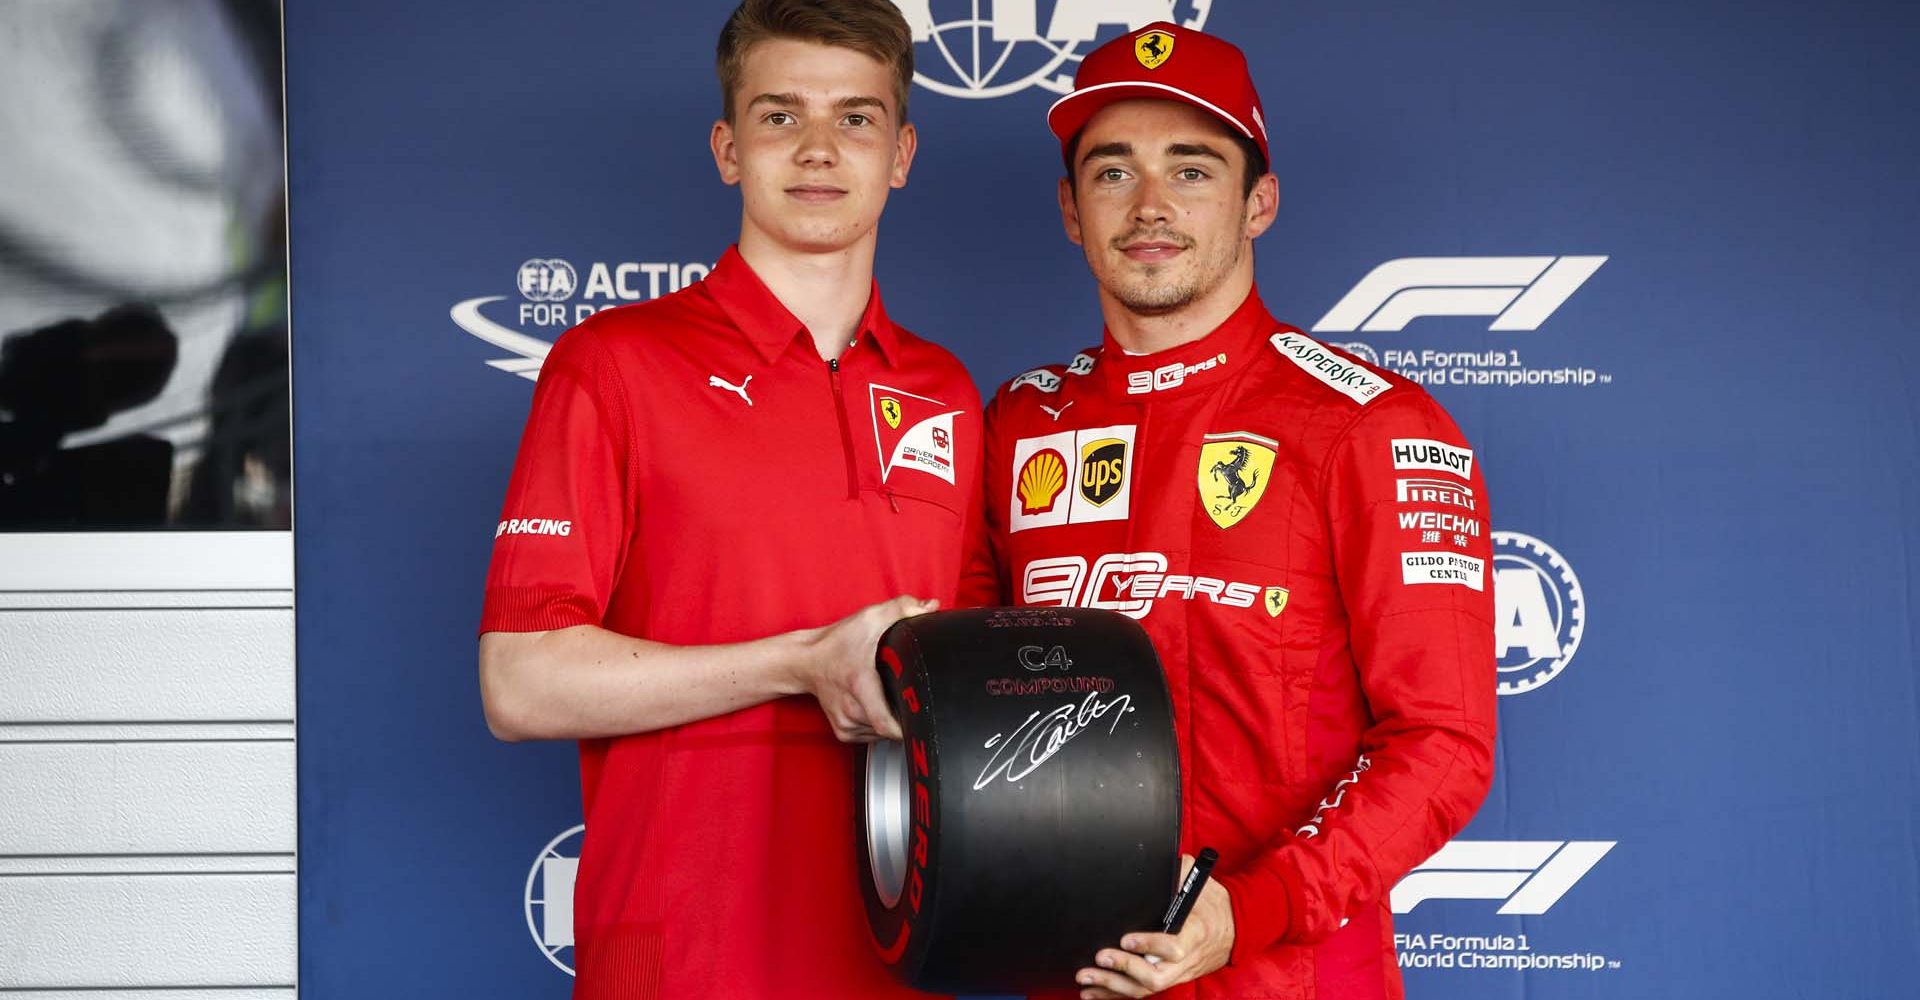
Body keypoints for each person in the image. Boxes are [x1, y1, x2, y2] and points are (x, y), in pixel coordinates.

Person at [960, 23, 1496, 1000]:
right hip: (1064, 975)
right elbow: (962, 704)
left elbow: (1444, 743)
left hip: (1290, 975)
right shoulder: (1015, 421)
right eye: (1113, 172)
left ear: (1261, 203)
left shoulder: (1372, 423)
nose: (1150, 206)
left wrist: (1249, 909)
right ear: (1072, 212)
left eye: (1193, 170)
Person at [477, 2, 978, 997]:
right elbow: (520, 683)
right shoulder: (613, 366)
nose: (820, 150)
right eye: (781, 116)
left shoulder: (946, 392)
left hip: (898, 962)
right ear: (728, 147)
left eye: (857, 118)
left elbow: (964, 690)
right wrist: (798, 663)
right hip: (686, 963)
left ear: (903, 151)